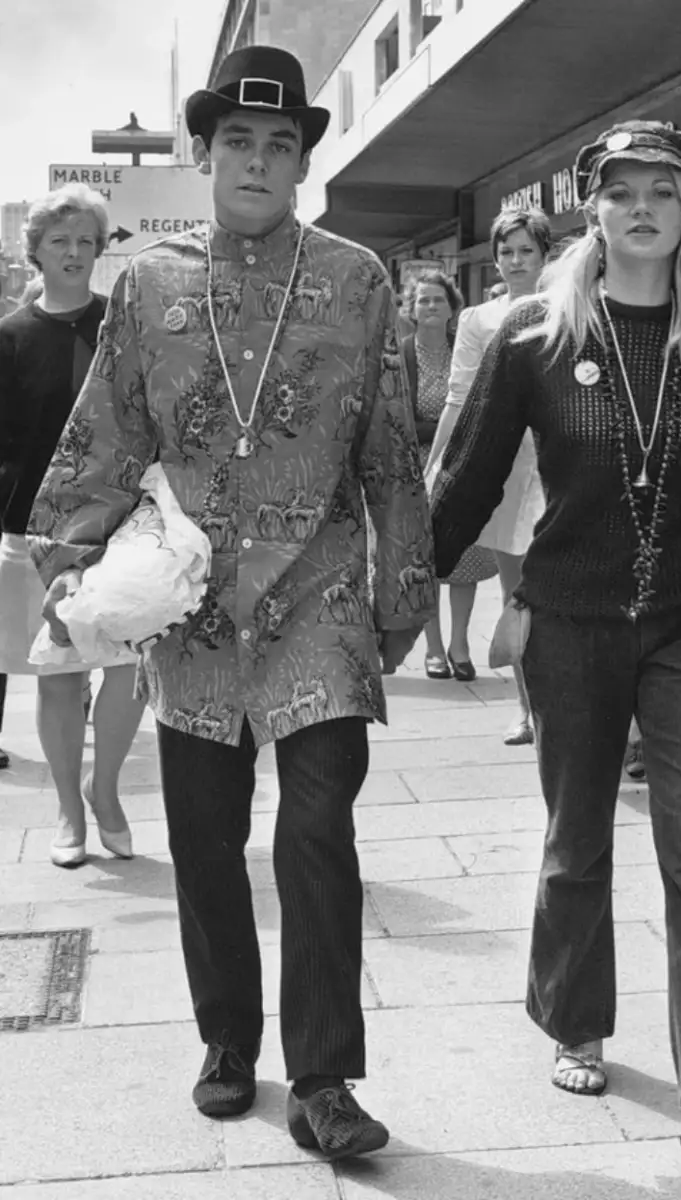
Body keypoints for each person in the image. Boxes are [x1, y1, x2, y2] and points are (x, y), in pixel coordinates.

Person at [31, 45, 435, 1159]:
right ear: (205, 153)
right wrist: (68, 547)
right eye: (240, 142)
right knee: (207, 840)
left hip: (320, 596)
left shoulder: (359, 279)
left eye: (282, 145)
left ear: (304, 160)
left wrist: (403, 590)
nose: (260, 160)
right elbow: (109, 428)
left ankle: (324, 1078)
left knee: (317, 829)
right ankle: (226, 1041)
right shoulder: (149, 285)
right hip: (193, 608)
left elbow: (392, 449)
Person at [431, 120, 681, 1154]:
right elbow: (468, 479)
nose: (642, 210)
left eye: (662, 193)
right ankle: (575, 1017)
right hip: (571, 620)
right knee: (576, 838)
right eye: (622, 192)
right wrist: (396, 600)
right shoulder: (536, 336)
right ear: (592, 210)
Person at [0, 184, 144, 867]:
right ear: (36, 251)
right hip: (35, 530)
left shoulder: (125, 324)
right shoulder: (10, 336)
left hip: (122, 528)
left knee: (127, 669)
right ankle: (67, 813)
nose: (75, 252)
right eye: (60, 240)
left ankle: (105, 791)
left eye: (87, 240)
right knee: (59, 674)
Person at [427, 207, 549, 743]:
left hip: (563, 464)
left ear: (546, 253)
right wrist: (436, 466)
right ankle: (527, 711)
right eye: (506, 251)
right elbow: (459, 398)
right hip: (506, 466)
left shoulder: (572, 305)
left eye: (525, 250)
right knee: (515, 593)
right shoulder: (478, 319)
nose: (515, 261)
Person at [401, 269, 496, 680]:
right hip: (415, 469)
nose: (431, 306)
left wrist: (452, 428)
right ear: (411, 309)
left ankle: (460, 644)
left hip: (461, 464)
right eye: (423, 300)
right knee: (424, 561)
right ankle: (433, 648)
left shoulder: (468, 348)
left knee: (465, 558)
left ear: (453, 306)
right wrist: (440, 427)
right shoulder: (399, 354)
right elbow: (398, 418)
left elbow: (481, 404)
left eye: (439, 299)